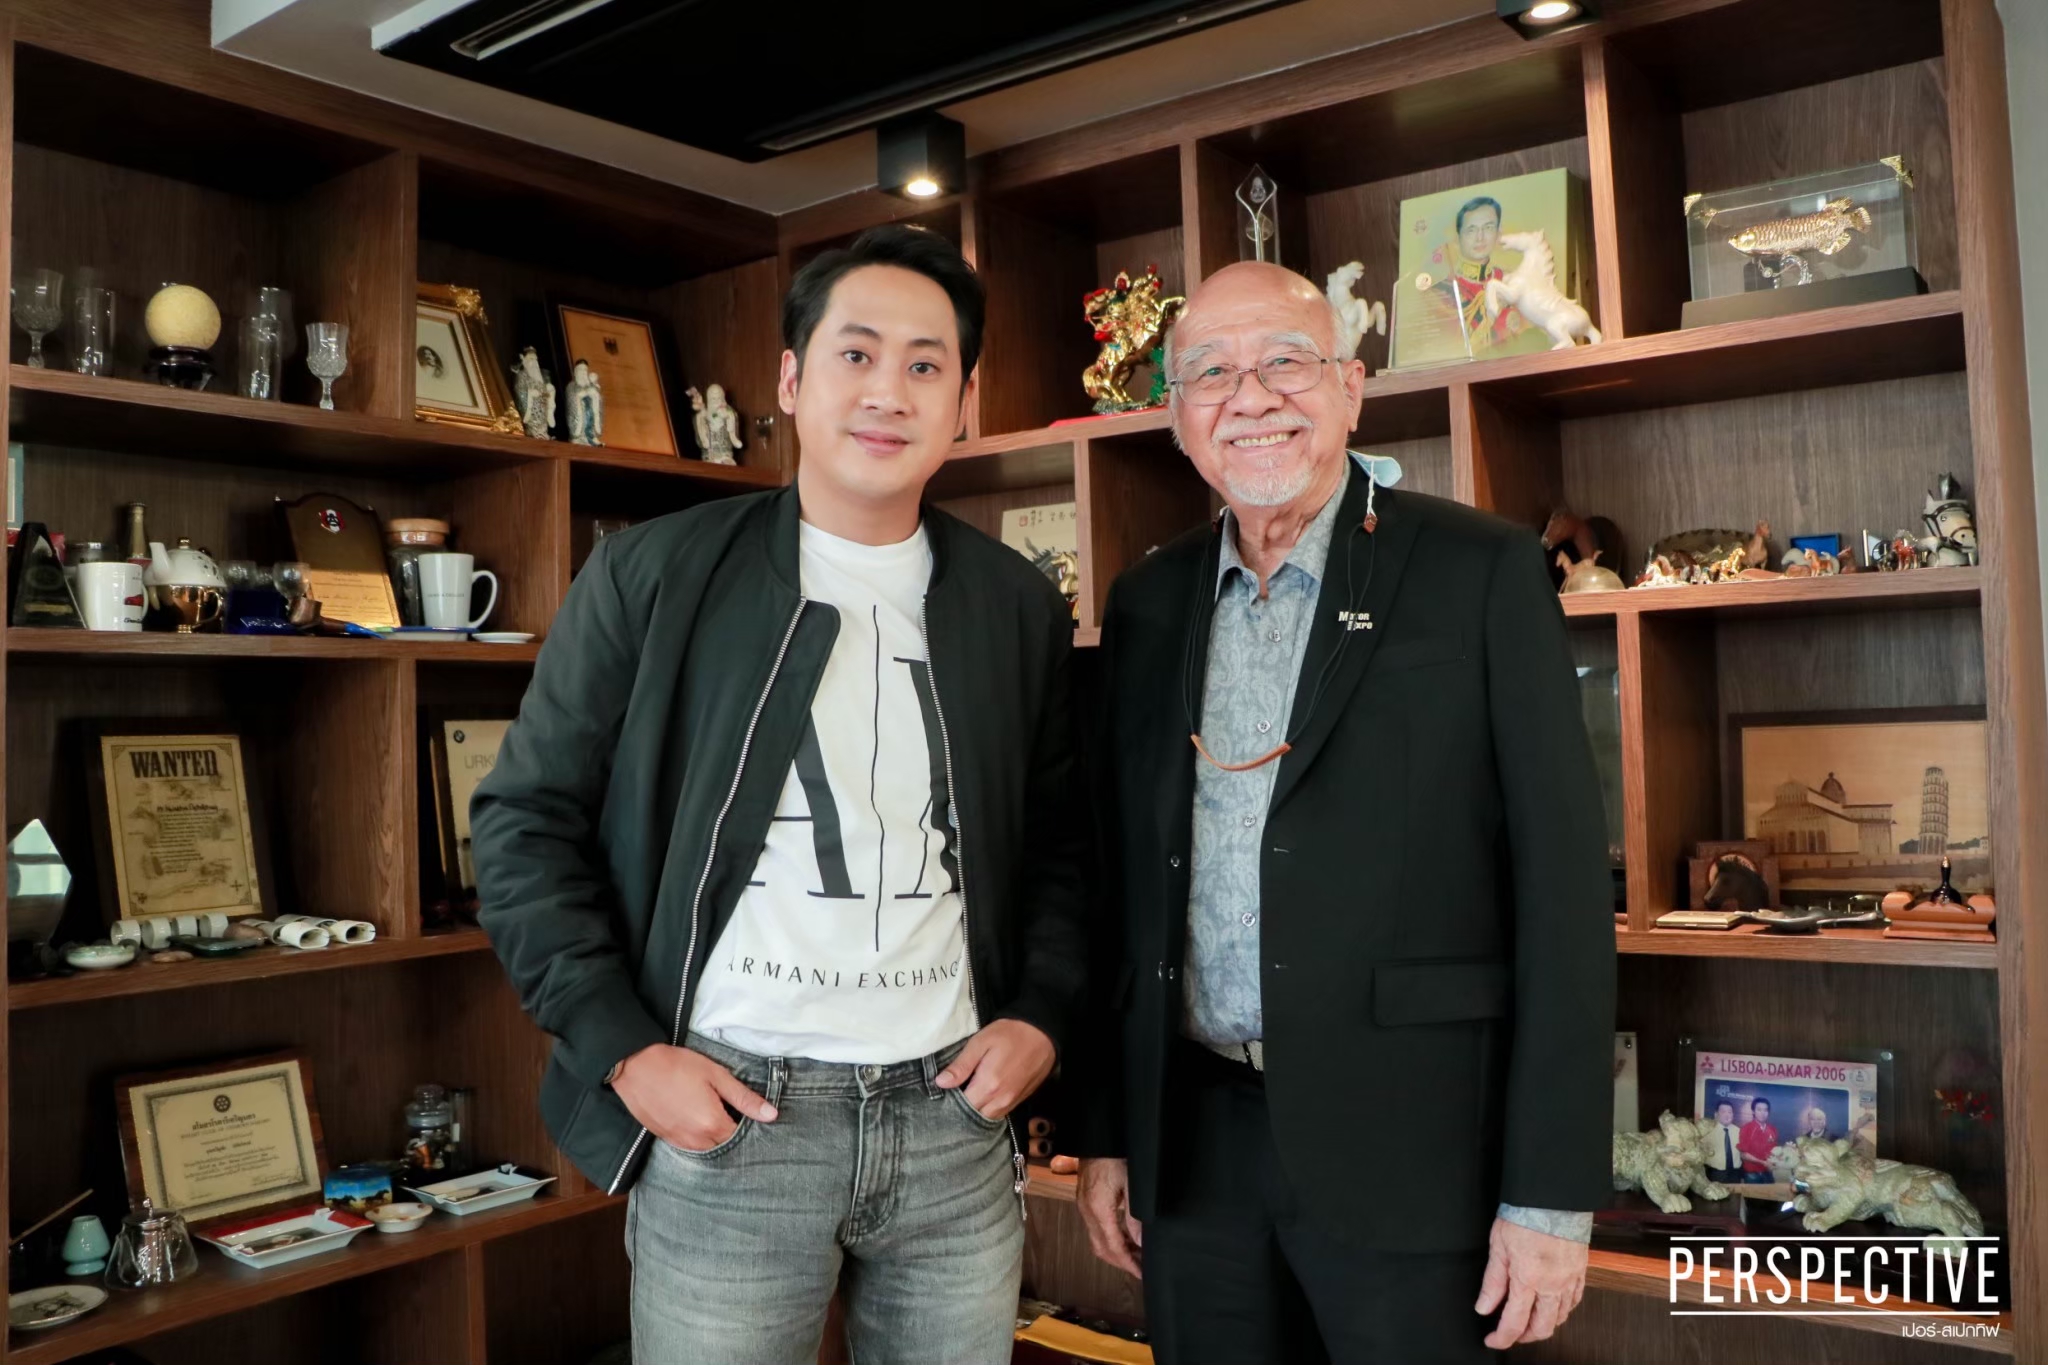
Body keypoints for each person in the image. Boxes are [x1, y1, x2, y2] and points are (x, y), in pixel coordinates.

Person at [471, 224, 1086, 1365]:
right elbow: (523, 823)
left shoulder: (1016, 607)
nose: (887, 391)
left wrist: (1041, 1014)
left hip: (953, 1121)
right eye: (856, 354)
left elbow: (1059, 845)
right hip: (733, 1116)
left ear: (963, 403)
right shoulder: (653, 574)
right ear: (793, 380)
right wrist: (624, 1050)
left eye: (925, 364)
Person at [1070, 260, 1615, 1364]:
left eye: (1285, 362)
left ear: (1350, 389)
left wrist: (1549, 1195)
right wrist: (1108, 1133)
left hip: (1413, 1143)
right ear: (1176, 417)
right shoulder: (1147, 601)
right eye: (1210, 373)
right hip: (1193, 1143)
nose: (1250, 397)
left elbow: (1561, 897)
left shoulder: (1479, 571)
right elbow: (1117, 882)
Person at [1441, 195, 1520, 353]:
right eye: (1471, 230)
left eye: (1488, 228)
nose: (1480, 238)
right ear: (1458, 238)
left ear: (1498, 233)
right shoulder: (1441, 292)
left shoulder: (1512, 281)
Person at [1740, 1098, 1781, 1183]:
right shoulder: (1746, 1128)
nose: (1763, 1113)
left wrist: (1783, 1154)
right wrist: (1762, 1162)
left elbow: (1774, 1151)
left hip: (1768, 1172)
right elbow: (1743, 1155)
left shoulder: (1772, 1129)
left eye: (1765, 1110)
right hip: (1752, 1174)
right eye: (1759, 1110)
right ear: (1753, 1111)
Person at [1707, 1100, 1744, 1178]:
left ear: (1733, 1115)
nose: (1727, 1115)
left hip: (1735, 1173)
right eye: (1723, 1112)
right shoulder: (1708, 1131)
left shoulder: (1739, 1131)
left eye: (1730, 1112)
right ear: (1716, 1114)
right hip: (1715, 1173)